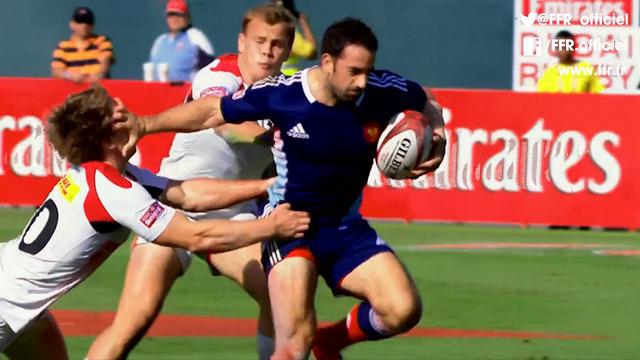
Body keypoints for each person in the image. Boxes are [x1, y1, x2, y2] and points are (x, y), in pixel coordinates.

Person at [113, 17, 446, 360]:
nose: (363, 82)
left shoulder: (378, 89)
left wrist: (437, 134)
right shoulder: (283, 95)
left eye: (368, 70)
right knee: (293, 343)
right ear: (328, 62)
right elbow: (213, 113)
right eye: (354, 72)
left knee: (403, 309)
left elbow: (425, 99)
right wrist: (145, 123)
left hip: (346, 228)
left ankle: (330, 342)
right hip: (290, 227)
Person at [0, 87, 310, 358]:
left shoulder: (109, 176)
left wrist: (268, 186)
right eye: (120, 116)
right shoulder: (115, 190)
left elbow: (187, 194)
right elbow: (196, 236)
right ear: (111, 136)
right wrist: (271, 226)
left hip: (19, 302)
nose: (132, 119)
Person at [87, 4, 295, 359]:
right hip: (175, 204)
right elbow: (221, 122)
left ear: (288, 50)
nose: (267, 50)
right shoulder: (219, 74)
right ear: (241, 41)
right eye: (259, 40)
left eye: (277, 43)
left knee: (282, 296)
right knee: (133, 321)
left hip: (232, 215)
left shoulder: (291, 93)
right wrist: (275, 140)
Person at [147, 0, 215, 82]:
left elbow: (211, 69)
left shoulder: (196, 37)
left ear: (187, 17)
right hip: (157, 92)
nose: (174, 19)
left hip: (185, 92)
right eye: (170, 15)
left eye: (179, 15)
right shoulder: (160, 41)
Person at [51, 7, 115, 83]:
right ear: (72, 24)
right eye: (79, 21)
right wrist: (70, 76)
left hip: (97, 90)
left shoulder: (102, 41)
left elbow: (106, 61)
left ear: (93, 26)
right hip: (73, 92)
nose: (84, 25)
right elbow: (56, 70)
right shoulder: (63, 46)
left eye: (88, 22)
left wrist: (98, 75)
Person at [537, 30, 604, 93]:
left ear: (573, 48)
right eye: (559, 47)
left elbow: (598, 97)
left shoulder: (586, 69)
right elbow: (542, 101)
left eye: (565, 47)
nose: (563, 52)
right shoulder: (549, 73)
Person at [272, 0, 317, 75]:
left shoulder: (262, 33)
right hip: (287, 79)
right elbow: (311, 52)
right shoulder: (291, 36)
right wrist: (304, 23)